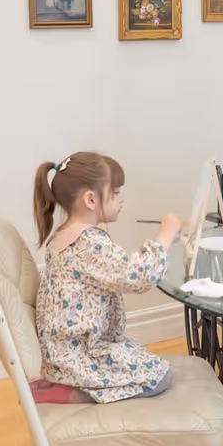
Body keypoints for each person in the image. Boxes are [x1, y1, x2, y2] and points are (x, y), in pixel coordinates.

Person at [31, 151, 185, 404]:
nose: (121, 199)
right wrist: (166, 234)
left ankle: (63, 382)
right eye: (115, 193)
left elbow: (120, 270)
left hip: (65, 351)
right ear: (91, 199)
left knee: (143, 357)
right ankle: (71, 392)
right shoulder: (89, 243)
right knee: (160, 376)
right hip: (78, 355)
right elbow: (140, 276)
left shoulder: (64, 234)